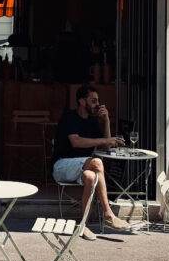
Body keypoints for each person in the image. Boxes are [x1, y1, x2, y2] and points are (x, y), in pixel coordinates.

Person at [51, 84, 130, 241]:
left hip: (81, 168)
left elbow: (107, 146)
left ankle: (83, 225)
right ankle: (108, 214)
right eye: (93, 101)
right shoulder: (69, 117)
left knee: (91, 177)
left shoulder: (93, 122)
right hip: (61, 166)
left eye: (98, 101)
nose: (97, 104)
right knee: (97, 163)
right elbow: (76, 142)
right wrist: (105, 140)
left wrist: (106, 121)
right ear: (82, 101)